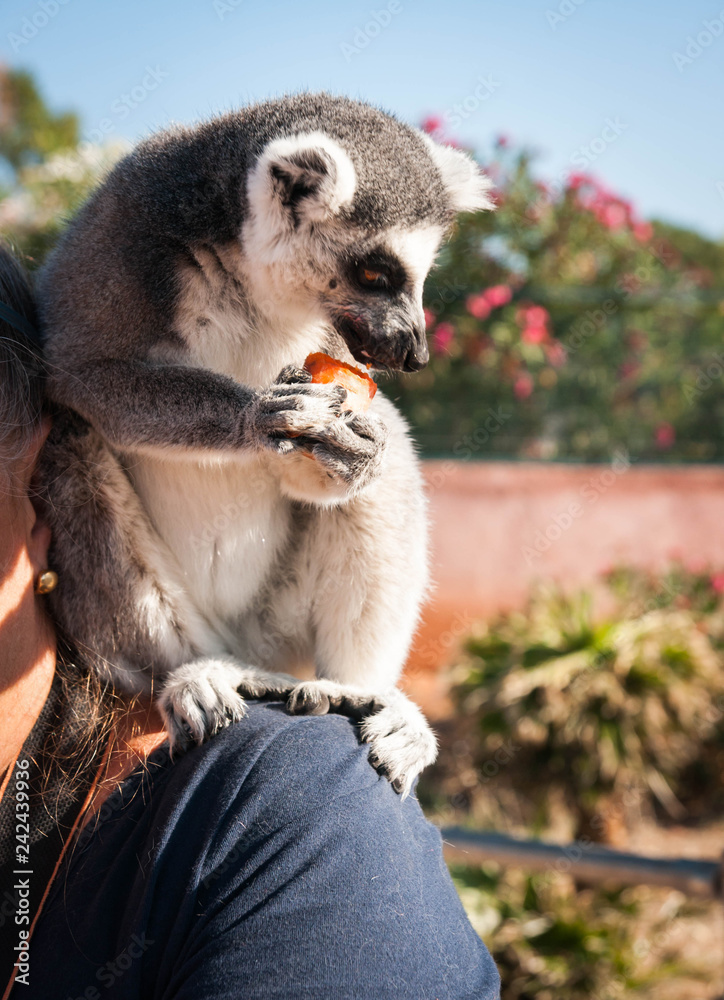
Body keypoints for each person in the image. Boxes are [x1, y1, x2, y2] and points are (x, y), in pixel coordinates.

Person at [0, 242, 501, 1000]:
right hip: (161, 626)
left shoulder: (284, 813)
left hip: (264, 649)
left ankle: (360, 686)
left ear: (29, 484)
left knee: (373, 434)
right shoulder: (128, 286)